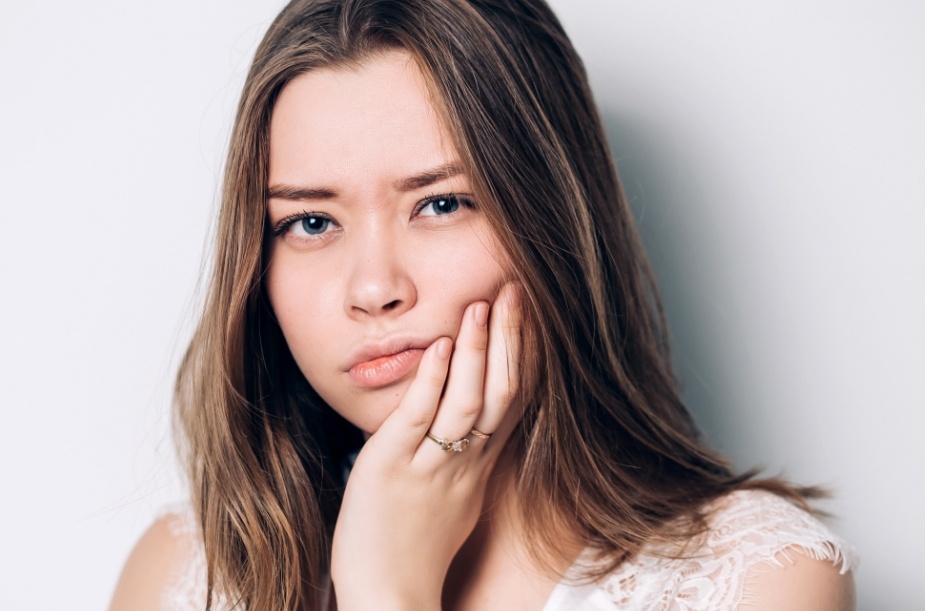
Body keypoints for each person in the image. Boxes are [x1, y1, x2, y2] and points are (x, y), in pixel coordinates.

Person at [109, 0, 856, 609]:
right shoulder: (184, 575)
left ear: (555, 221)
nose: (373, 289)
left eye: (439, 204)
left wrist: (384, 590)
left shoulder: (755, 574)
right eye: (310, 222)